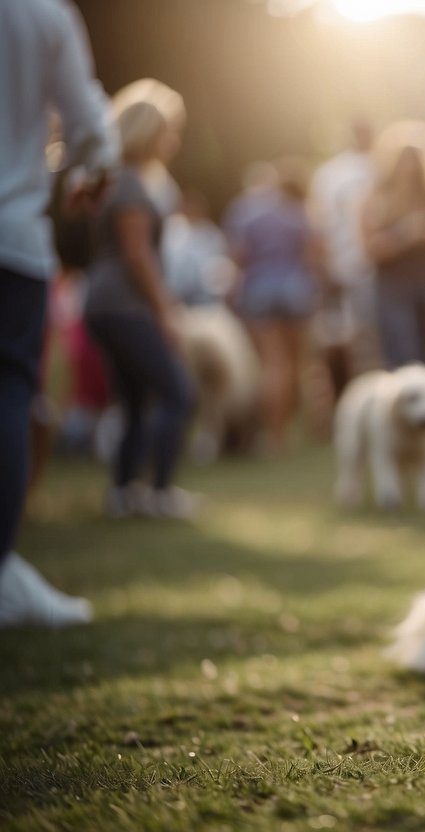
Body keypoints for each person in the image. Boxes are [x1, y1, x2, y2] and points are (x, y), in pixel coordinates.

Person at [0, 0, 112, 626]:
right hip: (9, 239)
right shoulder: (41, 13)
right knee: (10, 391)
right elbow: (89, 125)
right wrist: (92, 170)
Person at [83, 81, 199, 520]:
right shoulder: (131, 183)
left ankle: (124, 491)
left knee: (133, 400)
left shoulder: (118, 179)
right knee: (176, 393)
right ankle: (160, 491)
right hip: (123, 305)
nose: (174, 140)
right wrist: (165, 309)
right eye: (170, 130)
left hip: (104, 304)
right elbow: (137, 253)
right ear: (150, 133)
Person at [227, 157, 324, 454]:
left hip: (258, 288)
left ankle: (274, 436)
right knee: (297, 364)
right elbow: (314, 255)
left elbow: (237, 256)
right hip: (295, 288)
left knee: (272, 365)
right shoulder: (298, 212)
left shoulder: (245, 212)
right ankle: (299, 431)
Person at [362, 121, 425, 369]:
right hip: (392, 286)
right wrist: (406, 235)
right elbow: (370, 250)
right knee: (401, 354)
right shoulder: (376, 199)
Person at [309, 118, 377, 398]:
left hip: (363, 267)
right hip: (352, 268)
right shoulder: (336, 172)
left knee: (355, 341)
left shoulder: (331, 173)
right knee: (352, 341)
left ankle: (357, 398)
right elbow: (319, 226)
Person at [163, 190, 232, 306]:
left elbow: (220, 267)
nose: (192, 209)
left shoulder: (212, 234)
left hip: (204, 299)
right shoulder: (171, 227)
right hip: (172, 295)